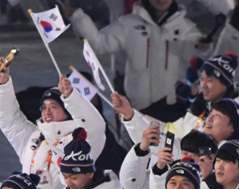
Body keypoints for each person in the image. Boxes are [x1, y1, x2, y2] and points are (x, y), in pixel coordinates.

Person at [0, 57, 106, 189]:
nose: (47, 112)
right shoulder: (34, 136)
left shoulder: (80, 141)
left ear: (67, 110)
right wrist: (3, 84)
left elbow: (96, 127)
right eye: (44, 107)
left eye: (54, 107)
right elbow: (8, 119)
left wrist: (71, 97)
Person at [67, 0, 205, 116]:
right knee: (137, 146)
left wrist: (203, 47)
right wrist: (77, 16)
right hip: (137, 107)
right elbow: (100, 43)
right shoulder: (129, 24)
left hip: (176, 106)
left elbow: (200, 59)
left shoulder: (186, 28)